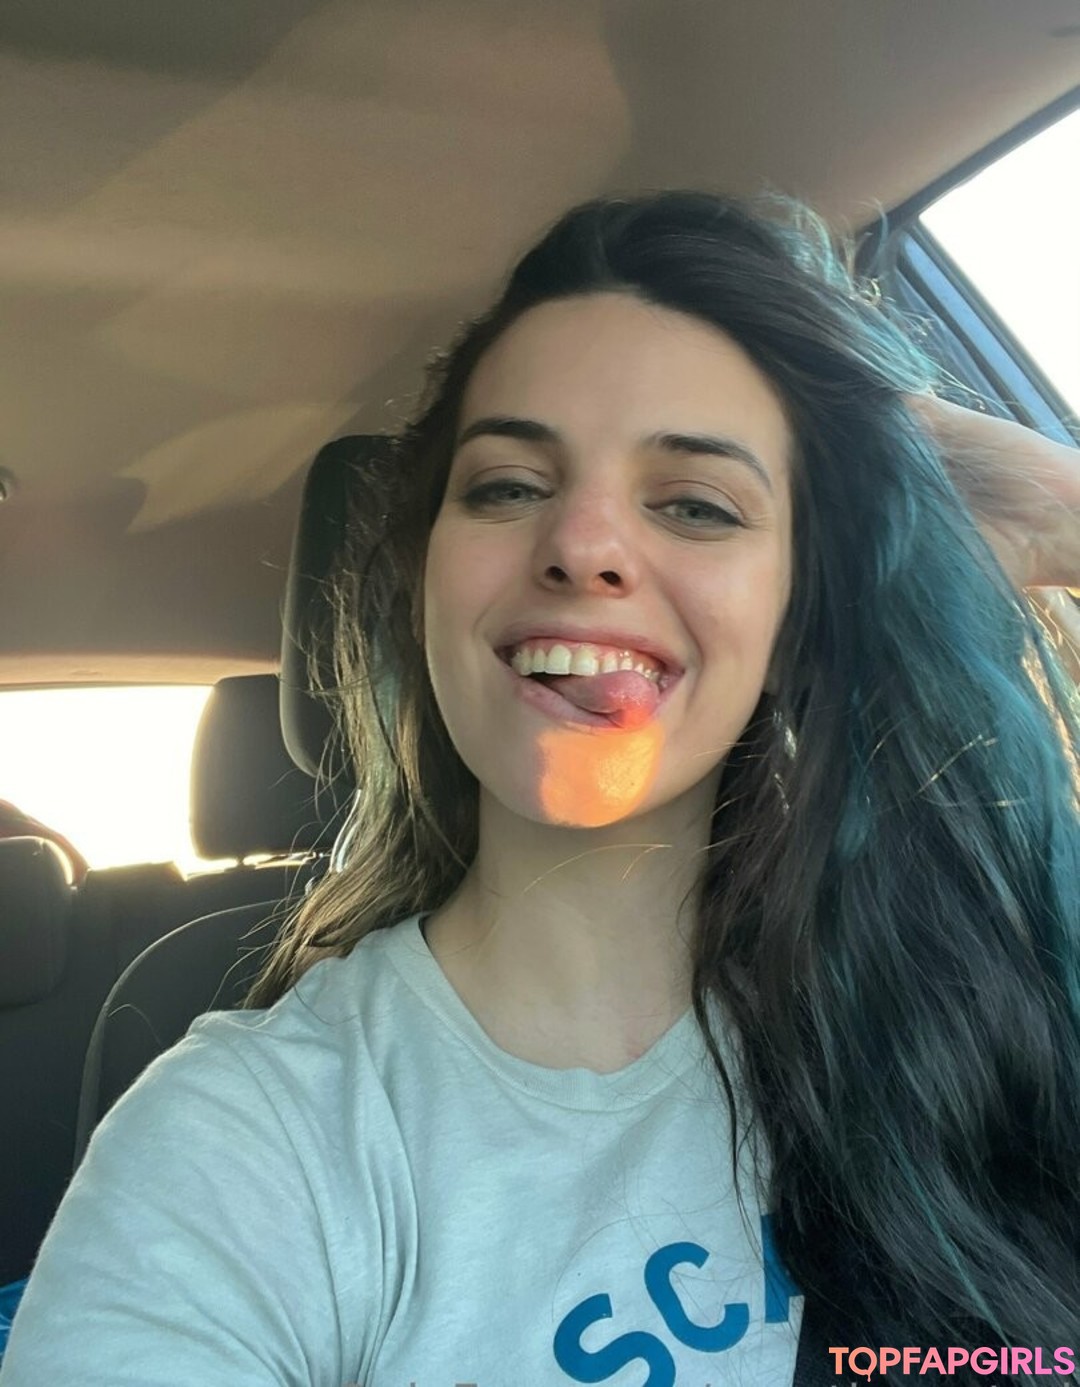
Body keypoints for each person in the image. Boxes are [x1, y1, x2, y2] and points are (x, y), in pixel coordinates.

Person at [2, 192, 1077, 1386]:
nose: (583, 544)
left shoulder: (985, 1011)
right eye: (509, 486)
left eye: (698, 504)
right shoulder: (250, 1142)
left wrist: (1061, 510)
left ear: (795, 618)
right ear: (425, 582)